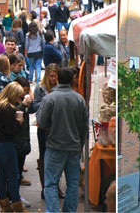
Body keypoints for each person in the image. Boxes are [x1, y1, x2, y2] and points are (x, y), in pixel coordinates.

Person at [38, 67, 88, 213]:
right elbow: (84, 126)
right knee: (72, 184)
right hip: (73, 147)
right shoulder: (79, 99)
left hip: (55, 146)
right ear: (72, 79)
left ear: (58, 79)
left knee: (51, 184)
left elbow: (42, 122)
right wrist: (80, 144)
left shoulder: (50, 98)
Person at [0, 82, 27, 212]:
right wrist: (18, 122)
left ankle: (4, 204)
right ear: (13, 94)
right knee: (13, 174)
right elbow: (10, 130)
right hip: (5, 143)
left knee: (1, 172)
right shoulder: (8, 108)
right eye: (18, 96)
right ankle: (17, 205)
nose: (18, 100)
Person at [33, 63, 63, 200]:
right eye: (51, 76)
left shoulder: (61, 88)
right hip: (43, 128)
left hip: (56, 127)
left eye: (56, 76)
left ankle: (55, 186)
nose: (54, 79)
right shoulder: (40, 88)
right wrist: (49, 101)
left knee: (56, 157)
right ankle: (45, 187)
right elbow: (35, 106)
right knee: (44, 156)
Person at [13, 77, 34, 190]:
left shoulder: (23, 98)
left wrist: (30, 101)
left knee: (22, 156)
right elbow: (14, 112)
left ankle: (19, 176)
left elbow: (31, 110)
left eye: (26, 90)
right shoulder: (12, 100)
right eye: (23, 90)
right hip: (17, 136)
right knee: (17, 159)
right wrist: (23, 105)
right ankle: (16, 179)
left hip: (24, 133)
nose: (24, 93)